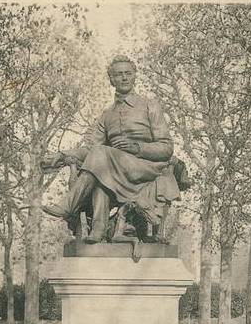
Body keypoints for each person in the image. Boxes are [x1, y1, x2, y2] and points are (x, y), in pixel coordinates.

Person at [41, 55, 180, 243]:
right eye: (119, 74)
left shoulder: (149, 106)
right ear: (111, 79)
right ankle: (98, 229)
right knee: (100, 166)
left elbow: (166, 147)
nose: (124, 78)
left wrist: (137, 147)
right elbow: (89, 149)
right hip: (116, 169)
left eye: (128, 74)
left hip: (145, 168)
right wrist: (62, 155)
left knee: (100, 154)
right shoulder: (107, 115)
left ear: (134, 76)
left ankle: (69, 205)